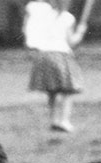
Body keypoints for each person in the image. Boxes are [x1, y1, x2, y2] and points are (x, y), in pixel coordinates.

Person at [23, 0, 88, 132]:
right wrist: (80, 32)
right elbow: (71, 42)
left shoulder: (43, 16)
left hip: (43, 56)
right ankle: (64, 121)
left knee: (52, 90)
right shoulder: (68, 18)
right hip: (60, 54)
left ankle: (54, 121)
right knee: (68, 90)